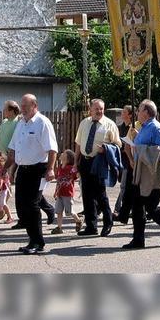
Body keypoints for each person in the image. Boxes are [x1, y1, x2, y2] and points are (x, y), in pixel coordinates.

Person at [5, 94, 58, 255]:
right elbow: (13, 150)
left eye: (26, 106)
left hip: (39, 169)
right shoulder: (21, 123)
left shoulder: (43, 122)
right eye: (22, 106)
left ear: (34, 105)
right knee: (21, 205)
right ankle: (32, 239)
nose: (22, 109)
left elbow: (52, 149)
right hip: (23, 169)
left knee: (32, 205)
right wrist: (7, 168)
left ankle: (37, 242)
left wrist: (50, 169)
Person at [124, 99, 160, 249]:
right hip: (140, 172)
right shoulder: (144, 127)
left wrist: (143, 150)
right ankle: (138, 240)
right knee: (138, 206)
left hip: (151, 174)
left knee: (151, 206)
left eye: (139, 110)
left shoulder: (156, 127)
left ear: (146, 112)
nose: (137, 113)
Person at [74, 99, 120, 237]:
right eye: (97, 109)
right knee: (87, 195)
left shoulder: (109, 124)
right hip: (85, 161)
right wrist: (76, 162)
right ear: (90, 110)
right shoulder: (84, 123)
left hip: (99, 161)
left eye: (101, 109)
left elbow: (118, 145)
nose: (99, 111)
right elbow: (78, 143)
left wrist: (105, 149)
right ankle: (91, 226)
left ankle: (108, 222)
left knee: (100, 194)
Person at [51, 150, 83, 234]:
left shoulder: (71, 168)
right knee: (59, 211)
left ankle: (78, 221)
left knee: (70, 211)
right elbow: (58, 181)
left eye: (64, 153)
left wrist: (78, 171)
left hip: (68, 193)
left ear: (68, 158)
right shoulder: (60, 168)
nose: (61, 154)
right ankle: (59, 227)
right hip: (60, 193)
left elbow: (77, 175)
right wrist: (55, 192)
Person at [114, 105, 135, 220]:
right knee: (126, 186)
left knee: (124, 186)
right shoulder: (119, 128)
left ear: (130, 115)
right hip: (121, 161)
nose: (122, 114)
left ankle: (118, 209)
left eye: (124, 112)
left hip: (130, 161)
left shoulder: (133, 128)